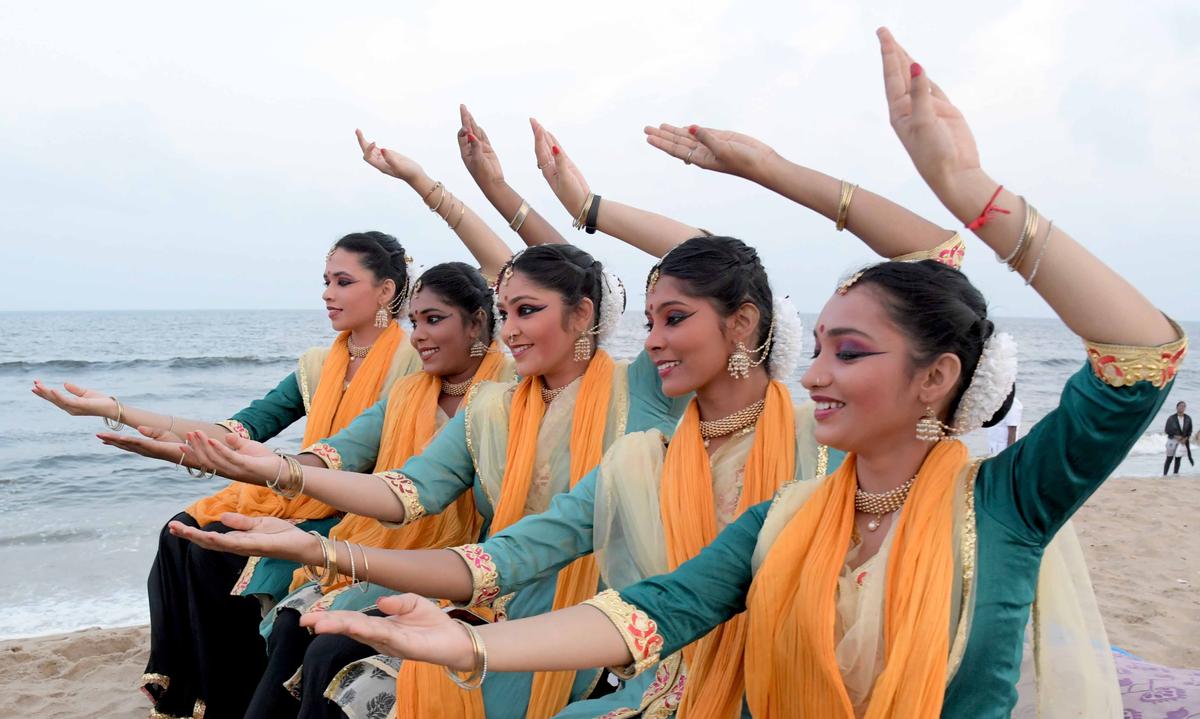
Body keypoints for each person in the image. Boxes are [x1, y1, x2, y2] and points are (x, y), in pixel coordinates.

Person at [298, 28, 1186, 719]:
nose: (819, 374)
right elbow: (654, 608)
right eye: (823, 346)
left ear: (936, 376)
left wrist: (964, 186)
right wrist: (471, 648)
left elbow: (1140, 354)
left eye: (852, 351)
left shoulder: (1006, 503)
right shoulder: (789, 516)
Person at [34, 230, 422, 718]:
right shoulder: (319, 364)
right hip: (302, 493)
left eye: (343, 282)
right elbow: (241, 428)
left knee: (217, 554)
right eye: (325, 280)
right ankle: (200, 699)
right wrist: (115, 409)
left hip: (360, 513)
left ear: (386, 291)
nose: (327, 293)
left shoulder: (412, 363)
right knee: (181, 533)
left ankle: (234, 700)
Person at [987, 390, 1022, 455]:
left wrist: (1009, 455)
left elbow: (1012, 430)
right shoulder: (998, 401)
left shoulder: (1013, 404)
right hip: (993, 446)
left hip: (1003, 449)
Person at [1164, 400, 1192, 474]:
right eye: (1180, 406)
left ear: (1185, 408)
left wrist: (1185, 439)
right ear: (1177, 407)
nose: (1182, 407)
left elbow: (1190, 431)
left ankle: (1175, 475)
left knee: (1178, 459)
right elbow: (1167, 430)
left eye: (1183, 406)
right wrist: (1175, 436)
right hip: (1172, 440)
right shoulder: (1171, 418)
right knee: (1169, 459)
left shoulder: (1188, 418)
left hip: (1182, 441)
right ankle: (1165, 475)